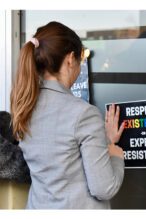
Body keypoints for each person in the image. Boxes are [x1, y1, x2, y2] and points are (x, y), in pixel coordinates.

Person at [10, 21, 125, 209]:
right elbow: (104, 187)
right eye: (81, 59)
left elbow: (61, 159)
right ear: (70, 59)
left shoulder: (24, 109)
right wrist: (115, 156)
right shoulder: (83, 113)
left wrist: (106, 140)